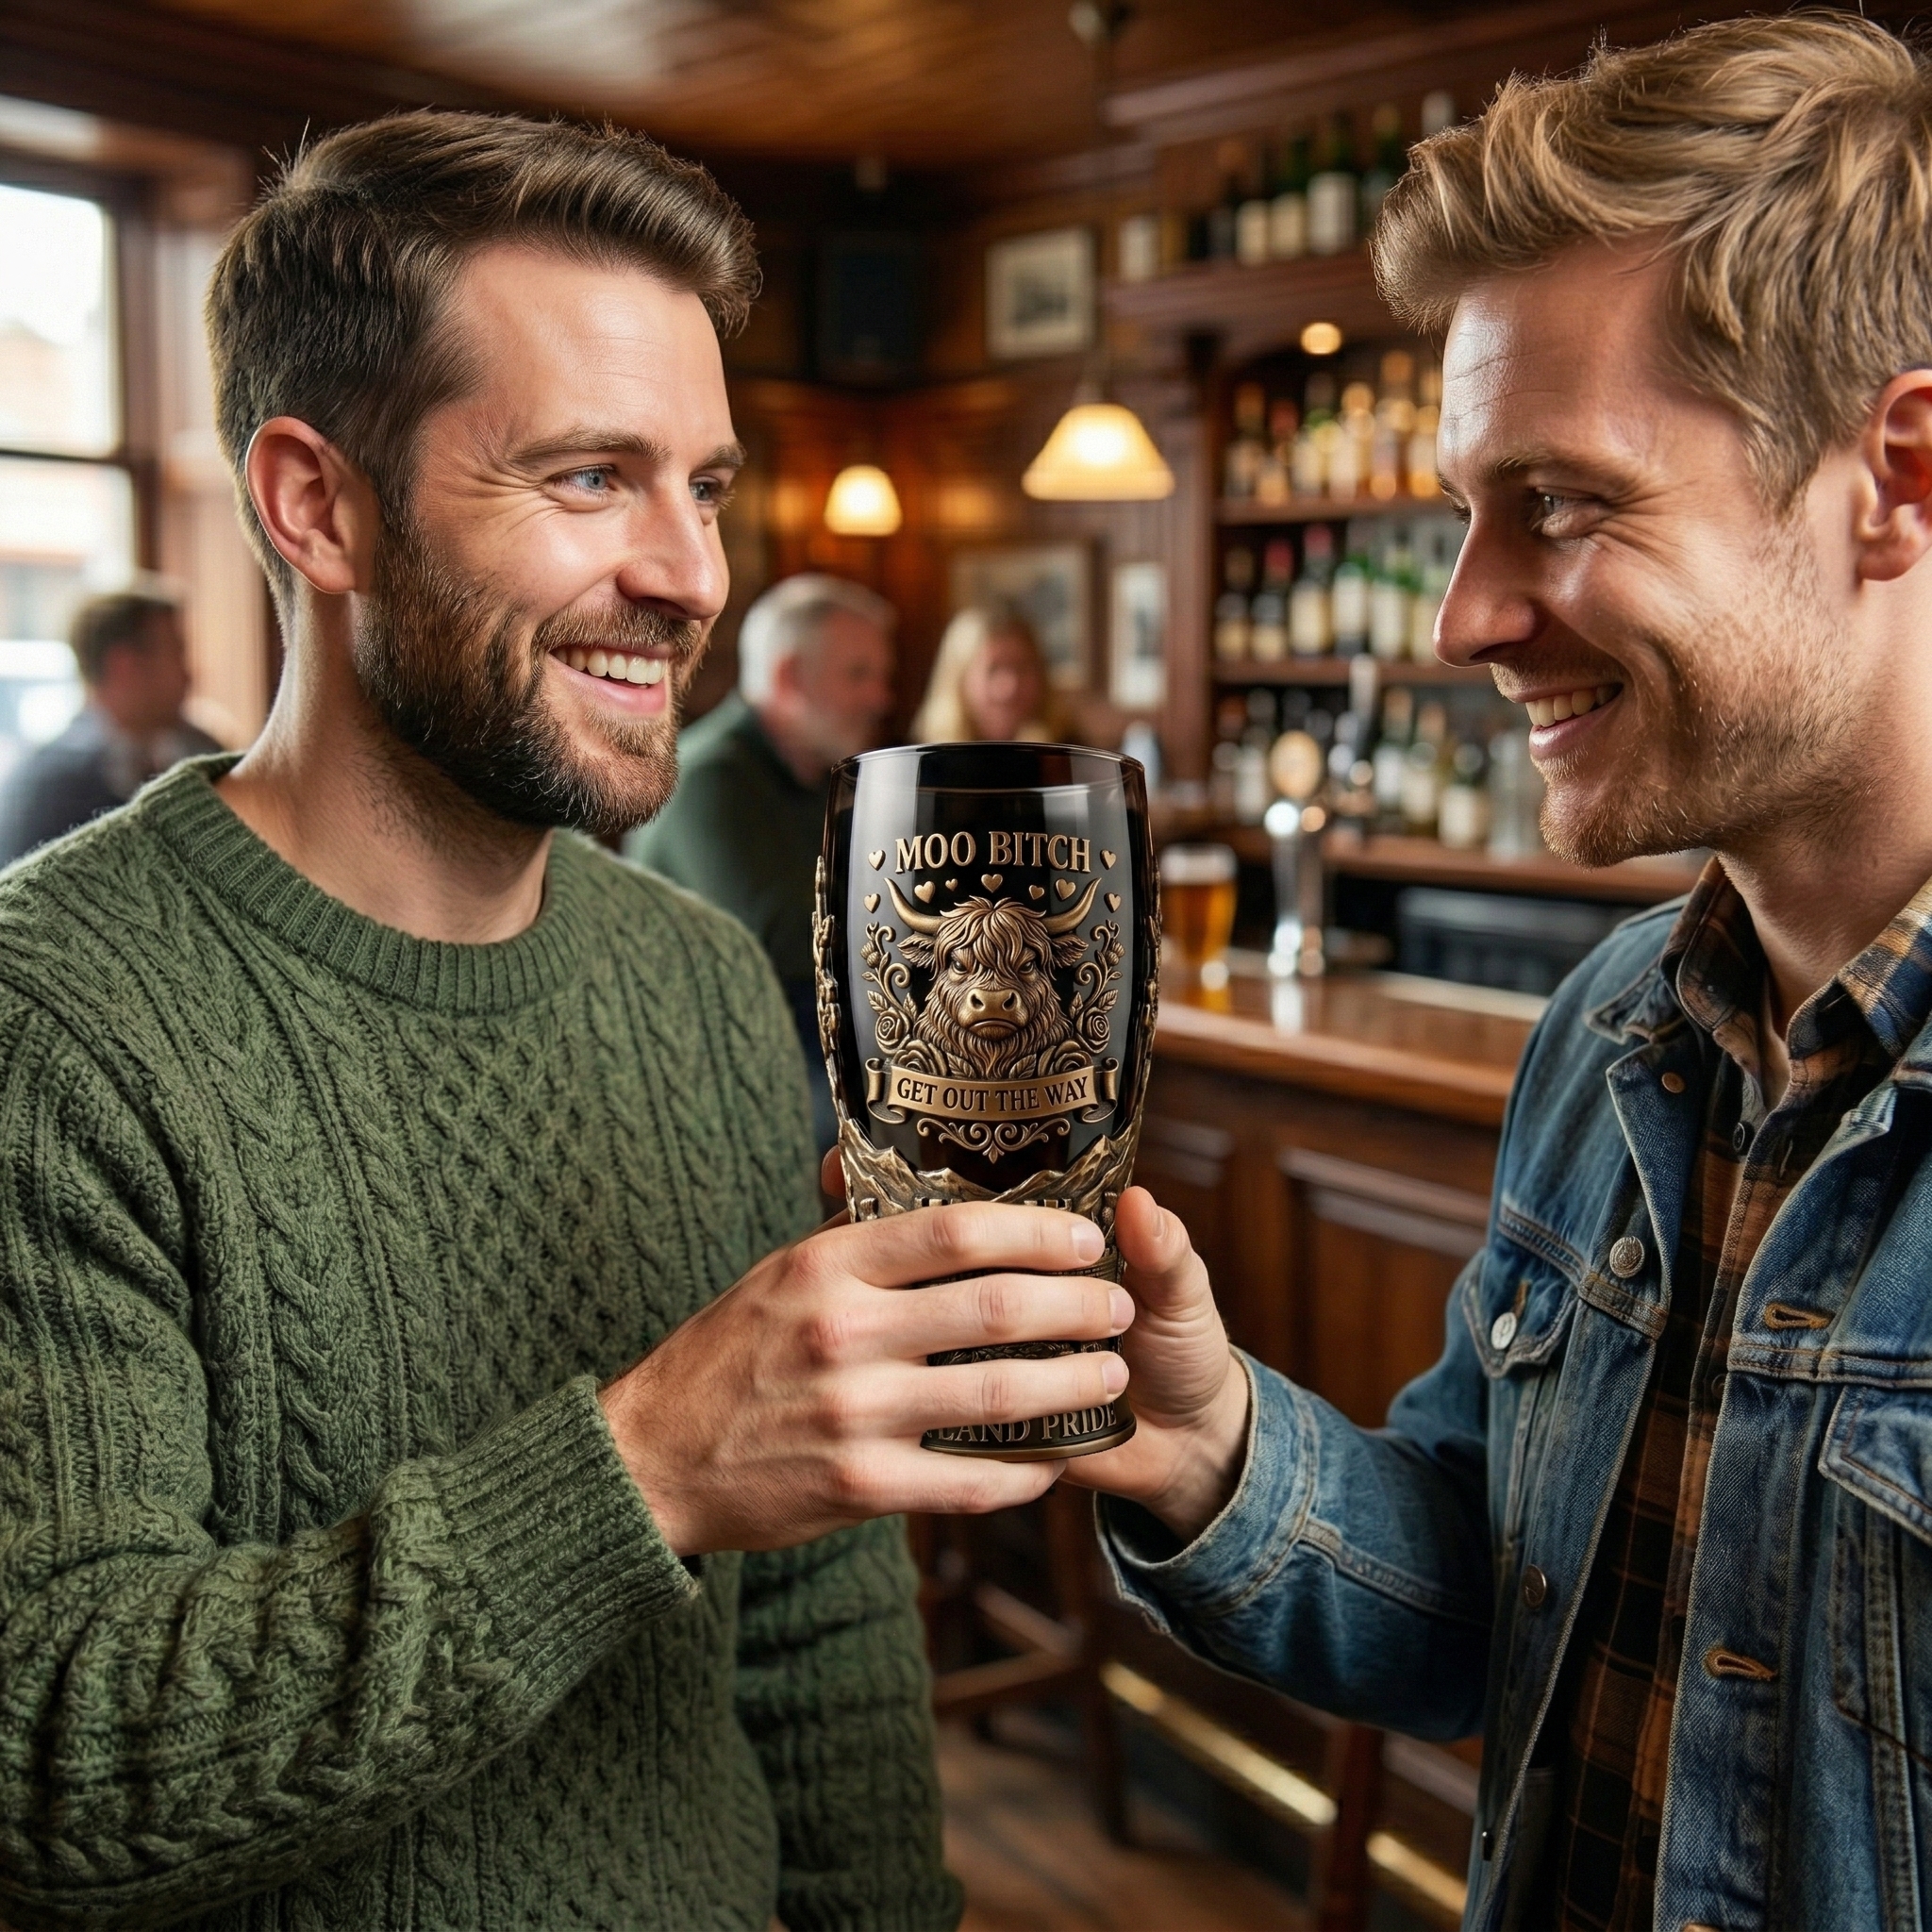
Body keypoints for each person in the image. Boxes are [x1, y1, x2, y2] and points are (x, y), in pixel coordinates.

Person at [0, 111, 1133, 1932]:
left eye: (702, 481)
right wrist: (642, 1465)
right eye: (590, 478)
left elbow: (826, 1651)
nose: (692, 574)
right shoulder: (52, 1014)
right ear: (317, 504)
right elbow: (43, 1763)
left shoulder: (696, 977)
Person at [1058, 16, 1932, 1929]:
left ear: (1896, 469)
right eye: (1462, 513)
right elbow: (1496, 1607)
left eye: (1564, 502)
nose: (1464, 618)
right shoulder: (1618, 1023)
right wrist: (1210, 1441)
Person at [627, 573, 894, 1152]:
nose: (881, 698)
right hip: (703, 1071)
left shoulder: (816, 775)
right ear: (788, 676)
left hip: (793, 1037)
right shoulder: (708, 779)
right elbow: (790, 944)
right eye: (858, 674)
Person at [0, 585, 220, 862]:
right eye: (176, 653)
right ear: (124, 666)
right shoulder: (51, 789)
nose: (190, 676)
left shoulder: (200, 750)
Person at [909, 604, 1068, 744]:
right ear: (959, 678)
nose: (1010, 688)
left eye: (1022, 668)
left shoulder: (1070, 758)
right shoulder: (923, 766)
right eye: (993, 670)